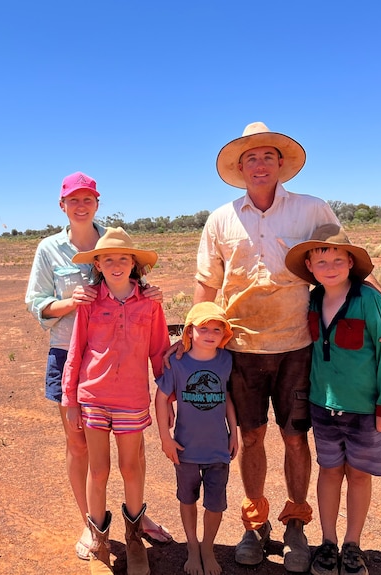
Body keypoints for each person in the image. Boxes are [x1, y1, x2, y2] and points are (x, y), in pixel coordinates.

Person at [176, 122, 381, 572]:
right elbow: (207, 284)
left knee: (295, 436)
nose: (259, 165)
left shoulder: (311, 209)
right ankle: (254, 524)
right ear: (239, 168)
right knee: (250, 436)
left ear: (281, 164)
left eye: (267, 157)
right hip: (240, 346)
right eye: (250, 159)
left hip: (299, 346)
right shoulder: (221, 219)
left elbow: (347, 258)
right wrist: (192, 337)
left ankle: (297, 524)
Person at [25, 172, 172, 563]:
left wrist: (151, 294)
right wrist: (70, 303)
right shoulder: (49, 249)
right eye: (73, 199)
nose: (81, 204)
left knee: (132, 451)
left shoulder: (114, 242)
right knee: (80, 447)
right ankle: (92, 526)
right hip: (71, 357)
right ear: (62, 205)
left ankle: (136, 521)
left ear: (97, 202)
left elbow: (141, 299)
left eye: (87, 198)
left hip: (125, 373)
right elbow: (35, 302)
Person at [284, 224, 381, 575]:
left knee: (358, 474)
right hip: (324, 406)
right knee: (329, 469)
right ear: (309, 266)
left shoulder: (368, 301)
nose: (331, 267)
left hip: (366, 409)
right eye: (322, 262)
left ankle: (353, 545)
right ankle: (328, 541)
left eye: (339, 259)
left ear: (351, 263)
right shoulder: (312, 299)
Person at [62, 227, 170, 575]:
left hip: (132, 399)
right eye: (108, 259)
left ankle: (135, 539)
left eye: (123, 258)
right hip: (93, 397)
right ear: (98, 263)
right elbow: (76, 350)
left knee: (131, 466)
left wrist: (168, 392)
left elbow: (158, 350)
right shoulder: (91, 302)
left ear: (134, 264)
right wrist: (70, 397)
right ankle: (99, 539)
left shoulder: (150, 303)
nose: (116, 264)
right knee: (100, 469)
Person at [155, 302, 238, 575]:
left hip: (217, 449)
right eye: (203, 328)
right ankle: (192, 545)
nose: (211, 334)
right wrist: (165, 439)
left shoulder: (225, 360)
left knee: (215, 503)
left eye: (217, 329)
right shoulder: (178, 363)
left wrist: (233, 431)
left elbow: (226, 397)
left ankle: (207, 547)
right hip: (185, 448)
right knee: (187, 499)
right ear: (190, 331)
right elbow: (161, 397)